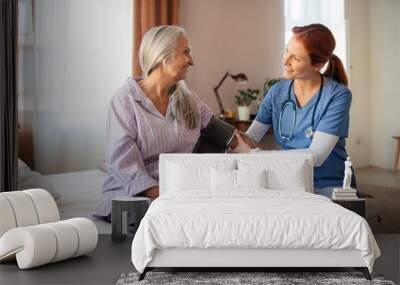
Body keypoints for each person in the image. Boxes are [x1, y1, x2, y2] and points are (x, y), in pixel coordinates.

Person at [94, 26, 213, 219]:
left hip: (178, 195)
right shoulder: (124, 101)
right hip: (134, 198)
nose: (192, 61)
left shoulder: (188, 99)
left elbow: (223, 133)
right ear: (162, 56)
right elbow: (125, 166)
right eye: (186, 52)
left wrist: (249, 150)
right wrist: (168, 196)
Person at [231, 23, 356, 197]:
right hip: (289, 179)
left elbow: (316, 157)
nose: (285, 61)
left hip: (327, 184)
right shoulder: (277, 92)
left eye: (296, 59)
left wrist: (254, 154)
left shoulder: (338, 96)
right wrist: (232, 138)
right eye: (286, 51)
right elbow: (252, 138)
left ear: (317, 65)